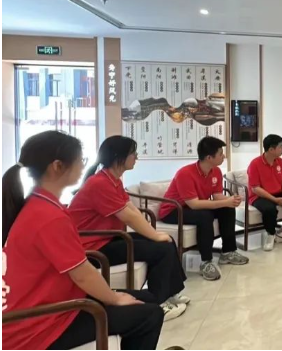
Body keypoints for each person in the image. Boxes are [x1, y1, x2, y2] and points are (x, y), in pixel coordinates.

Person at [2, 131, 164, 350]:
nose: (83, 166)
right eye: (81, 160)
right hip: (40, 327)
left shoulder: (40, 204)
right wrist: (114, 298)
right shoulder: (48, 216)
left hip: (54, 305)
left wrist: (113, 296)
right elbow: (82, 274)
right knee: (150, 315)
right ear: (57, 166)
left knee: (147, 299)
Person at [68, 135, 189, 321]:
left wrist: (155, 234)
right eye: (133, 153)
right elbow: (128, 216)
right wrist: (154, 235)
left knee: (166, 241)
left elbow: (131, 209)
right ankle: (158, 303)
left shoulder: (113, 180)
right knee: (161, 248)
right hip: (92, 248)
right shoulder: (99, 183)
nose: (136, 157)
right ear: (120, 156)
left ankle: (169, 294)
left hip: (108, 238)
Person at [159, 136, 248, 282]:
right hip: (174, 211)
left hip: (194, 207)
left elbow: (217, 196)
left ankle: (228, 252)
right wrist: (225, 202)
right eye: (220, 154)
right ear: (209, 157)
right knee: (205, 216)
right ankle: (206, 262)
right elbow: (194, 204)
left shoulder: (216, 171)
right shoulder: (185, 173)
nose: (223, 156)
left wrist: (230, 200)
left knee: (228, 209)